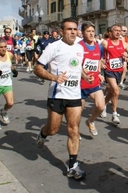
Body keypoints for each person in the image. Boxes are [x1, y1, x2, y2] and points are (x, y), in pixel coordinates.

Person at [34, 18, 91, 180]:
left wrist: (85, 76)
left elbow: (77, 66)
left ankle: (73, 166)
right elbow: (37, 68)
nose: (73, 32)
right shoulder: (54, 47)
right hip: (57, 95)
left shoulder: (80, 47)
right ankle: (43, 134)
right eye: (69, 29)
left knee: (73, 130)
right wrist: (54, 77)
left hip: (74, 95)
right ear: (61, 32)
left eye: (75, 29)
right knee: (53, 129)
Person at [101, 24, 128, 125]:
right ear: (110, 33)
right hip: (109, 70)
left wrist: (127, 56)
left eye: (119, 31)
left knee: (112, 92)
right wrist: (101, 62)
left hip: (119, 71)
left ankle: (103, 105)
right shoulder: (105, 43)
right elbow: (97, 54)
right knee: (116, 90)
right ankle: (114, 114)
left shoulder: (123, 43)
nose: (118, 32)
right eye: (116, 31)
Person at [79, 22, 106, 136]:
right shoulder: (79, 46)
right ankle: (75, 131)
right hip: (79, 84)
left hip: (94, 82)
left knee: (101, 106)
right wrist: (83, 73)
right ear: (83, 33)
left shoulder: (99, 46)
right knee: (78, 112)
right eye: (88, 31)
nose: (91, 34)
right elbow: (75, 64)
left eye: (92, 31)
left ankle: (90, 121)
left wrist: (99, 73)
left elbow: (98, 60)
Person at [118, 25, 128, 89]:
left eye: (127, 31)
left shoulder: (125, 37)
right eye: (124, 31)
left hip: (123, 55)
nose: (126, 32)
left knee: (124, 69)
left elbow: (125, 46)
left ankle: (121, 82)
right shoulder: (120, 37)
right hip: (118, 56)